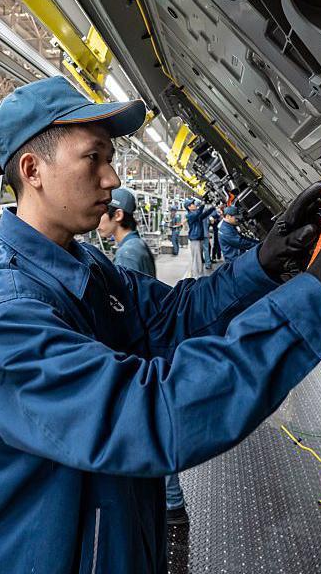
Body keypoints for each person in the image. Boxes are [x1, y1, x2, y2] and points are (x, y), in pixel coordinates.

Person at [0, 75, 321, 574]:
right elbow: (145, 415)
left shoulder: (88, 269)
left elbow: (172, 316)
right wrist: (312, 299)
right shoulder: (2, 311)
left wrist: (265, 261)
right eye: (92, 157)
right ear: (33, 170)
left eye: (110, 158)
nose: (112, 178)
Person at [98, 187, 191, 522]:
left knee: (152, 430)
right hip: (150, 348)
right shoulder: (134, 246)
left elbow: (125, 312)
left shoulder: (127, 255)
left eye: (103, 215)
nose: (98, 223)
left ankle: (171, 505)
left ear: (118, 215)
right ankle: (171, 502)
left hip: (142, 351)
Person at [97, 187, 157, 278]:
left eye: (100, 214)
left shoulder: (126, 254)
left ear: (118, 215)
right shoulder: (137, 244)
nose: (96, 221)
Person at [185, 198, 216, 277]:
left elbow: (204, 214)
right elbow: (199, 212)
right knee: (197, 259)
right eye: (192, 204)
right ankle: (197, 277)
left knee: (198, 259)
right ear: (189, 207)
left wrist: (213, 208)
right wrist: (203, 204)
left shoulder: (195, 215)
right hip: (195, 240)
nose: (194, 205)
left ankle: (198, 275)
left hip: (199, 238)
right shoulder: (190, 215)